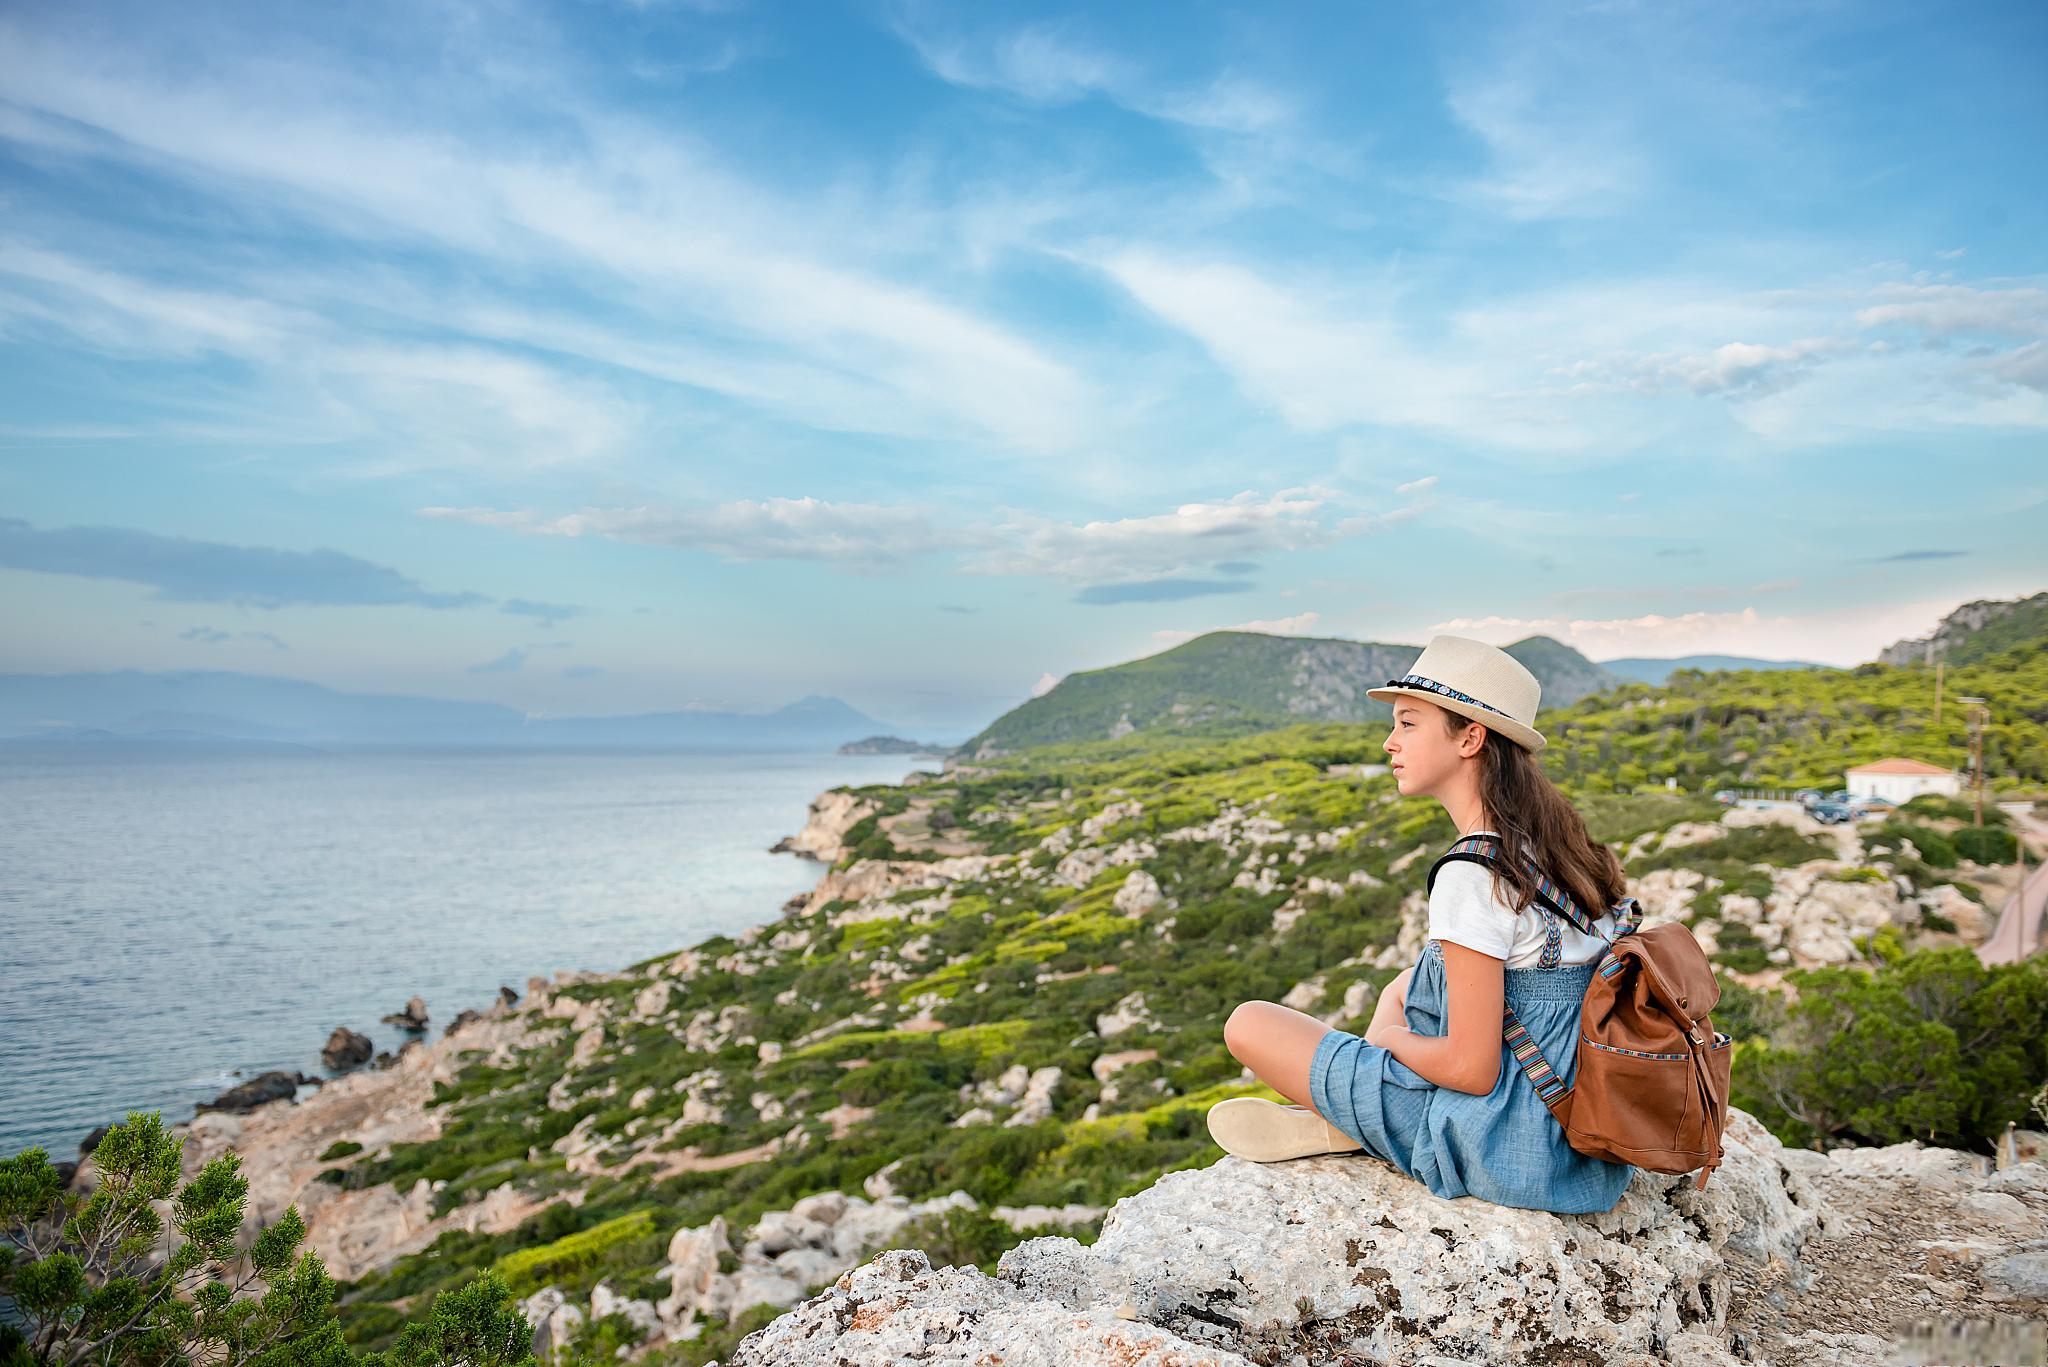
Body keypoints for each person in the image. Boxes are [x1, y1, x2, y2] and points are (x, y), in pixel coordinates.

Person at [1204, 634, 1635, 1214]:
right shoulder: (1554, 849)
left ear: (1471, 738)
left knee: (1249, 1024)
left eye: (1408, 723)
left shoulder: (1474, 874)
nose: (1389, 742)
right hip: (1574, 1139)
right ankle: (1355, 1119)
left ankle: (1361, 1124)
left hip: (1504, 1143)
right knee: (1403, 986)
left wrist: (1386, 1040)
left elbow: (1472, 1070)